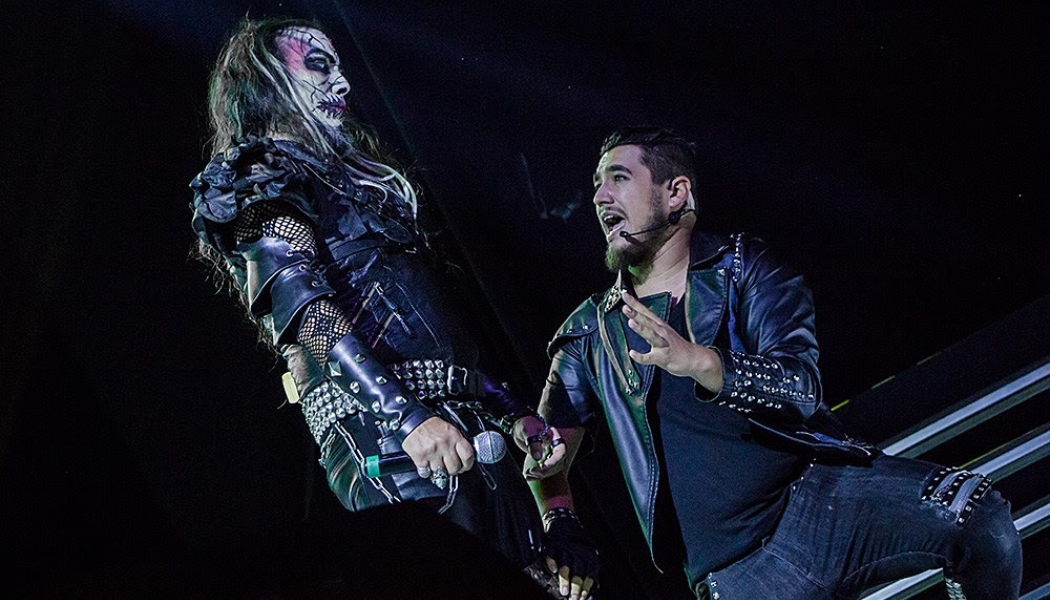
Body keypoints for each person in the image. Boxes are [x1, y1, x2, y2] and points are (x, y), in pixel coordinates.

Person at [188, 17, 596, 596]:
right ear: (265, 81)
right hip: (385, 434)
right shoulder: (261, 177)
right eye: (318, 65)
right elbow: (305, 312)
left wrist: (510, 411)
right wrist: (404, 417)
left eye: (339, 65)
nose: (342, 83)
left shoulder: (351, 185)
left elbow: (437, 341)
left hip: (458, 427)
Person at [525, 127, 1023, 599]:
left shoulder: (746, 267)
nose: (600, 197)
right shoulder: (588, 333)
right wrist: (559, 518)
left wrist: (701, 362)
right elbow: (549, 450)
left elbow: (801, 388)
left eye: (619, 177)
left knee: (975, 513)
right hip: (738, 573)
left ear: (676, 193)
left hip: (820, 500)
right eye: (598, 184)